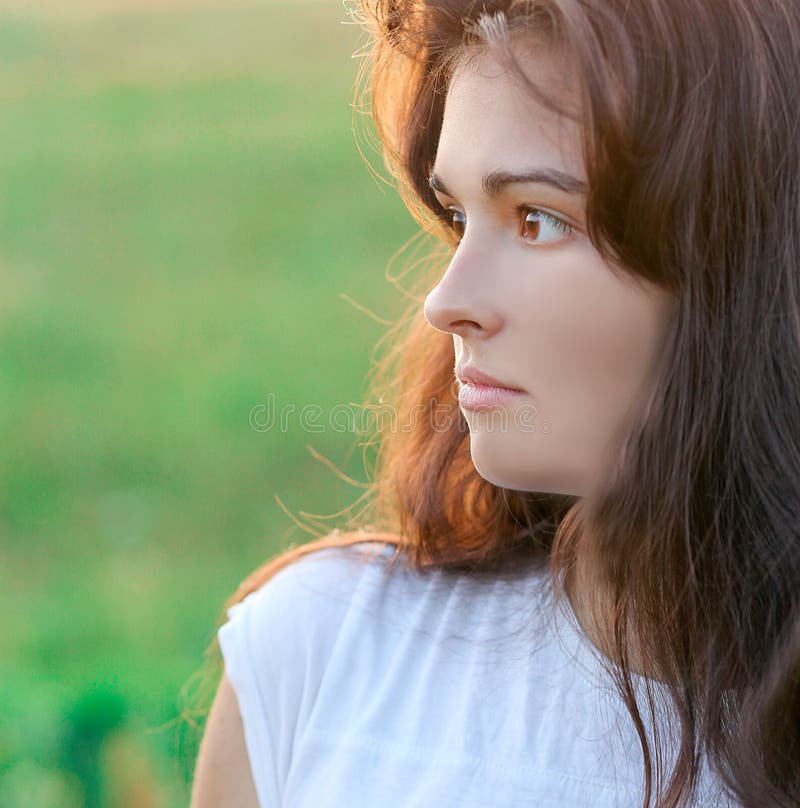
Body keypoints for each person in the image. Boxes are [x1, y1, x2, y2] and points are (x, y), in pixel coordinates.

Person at [190, 1, 800, 806]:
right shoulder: (318, 656)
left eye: (538, 220)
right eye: (458, 215)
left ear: (749, 265)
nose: (446, 303)